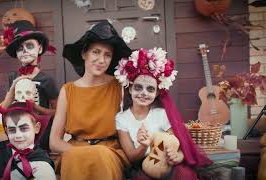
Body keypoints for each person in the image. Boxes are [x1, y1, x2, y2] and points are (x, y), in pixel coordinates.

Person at [49, 20, 132, 180]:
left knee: (100, 154)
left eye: (107, 55)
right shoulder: (68, 90)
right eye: (96, 52)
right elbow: (54, 141)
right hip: (74, 151)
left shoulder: (120, 87)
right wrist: (77, 152)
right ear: (83, 54)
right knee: (73, 158)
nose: (101, 60)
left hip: (109, 151)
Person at [114, 48, 213, 180]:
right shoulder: (122, 118)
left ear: (156, 94)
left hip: (167, 162)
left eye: (150, 89)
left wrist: (177, 156)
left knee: (184, 175)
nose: (143, 93)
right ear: (131, 88)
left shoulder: (162, 114)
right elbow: (131, 157)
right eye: (138, 87)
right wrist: (144, 145)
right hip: (143, 164)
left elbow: (178, 145)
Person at [0, 20, 59, 154]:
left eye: (29, 46)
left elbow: (57, 112)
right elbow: (3, 109)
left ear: (39, 48)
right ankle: (8, 161)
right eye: (20, 48)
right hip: (15, 125)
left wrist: (36, 107)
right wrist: (12, 91)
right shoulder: (13, 77)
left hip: (37, 132)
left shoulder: (46, 80)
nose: (25, 51)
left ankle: (4, 163)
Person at [0, 101, 56, 180]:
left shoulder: (42, 165)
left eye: (24, 128)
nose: (18, 136)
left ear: (36, 128)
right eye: (12, 130)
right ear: (6, 131)